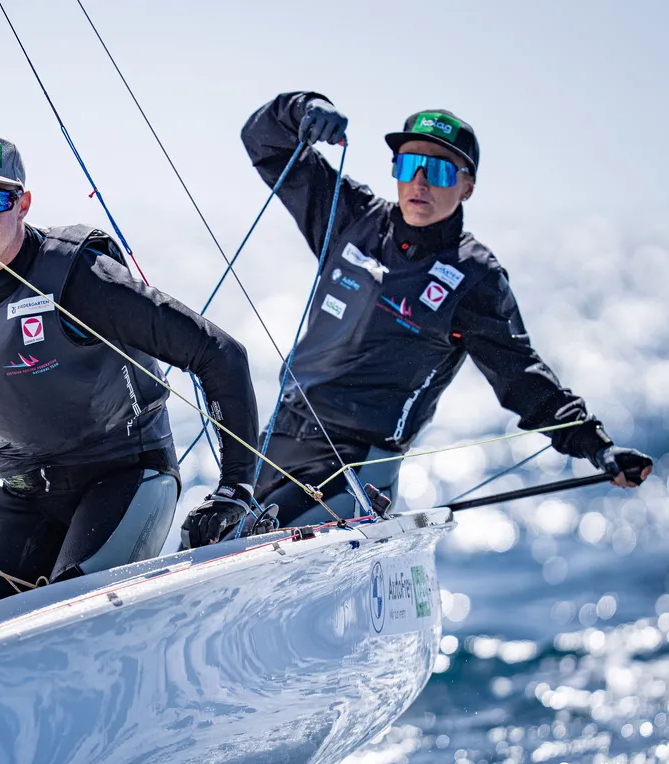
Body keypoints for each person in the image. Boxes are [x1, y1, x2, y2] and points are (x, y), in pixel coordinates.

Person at [0, 131, 262, 609]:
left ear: (23, 204)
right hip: (26, 491)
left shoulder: (80, 276)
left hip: (124, 478)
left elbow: (220, 352)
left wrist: (235, 489)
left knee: (73, 612)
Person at [239, 93, 654, 526]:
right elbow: (262, 141)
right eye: (407, 164)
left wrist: (598, 446)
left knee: (244, 545)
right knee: (205, 542)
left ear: (467, 186)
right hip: (280, 435)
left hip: (355, 468)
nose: (419, 182)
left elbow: (524, 379)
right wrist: (304, 107)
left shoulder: (474, 278)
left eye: (437, 170)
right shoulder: (349, 217)